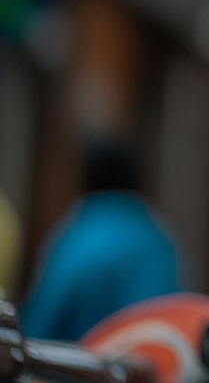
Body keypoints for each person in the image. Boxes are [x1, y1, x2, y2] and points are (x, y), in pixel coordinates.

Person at [22, 140, 181, 341]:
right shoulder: (159, 239)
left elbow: (42, 320)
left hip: (82, 364)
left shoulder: (78, 237)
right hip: (147, 363)